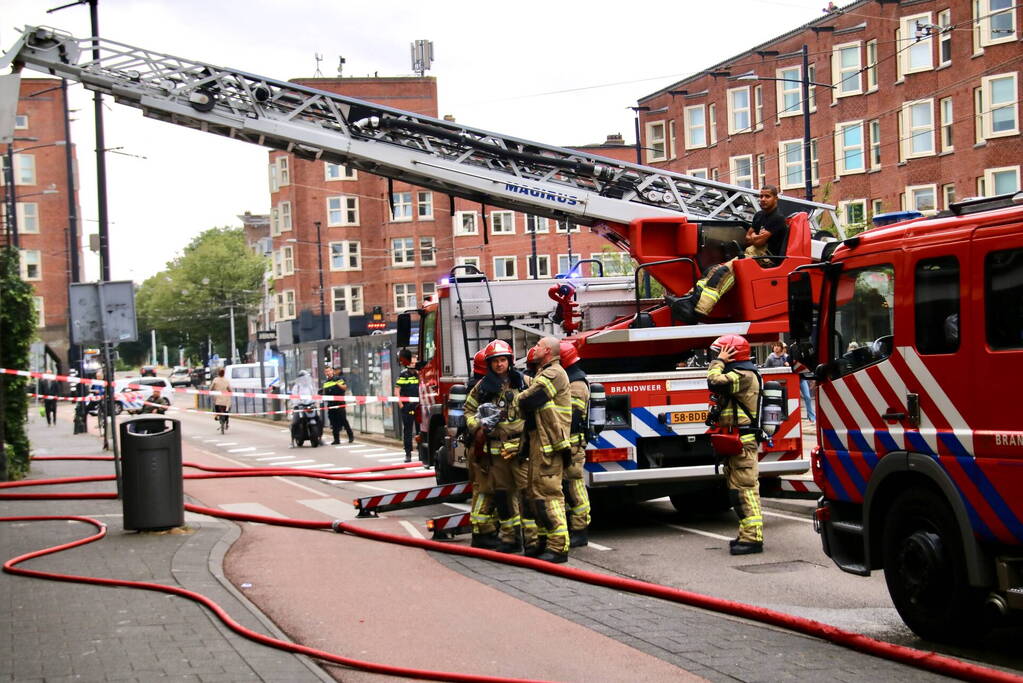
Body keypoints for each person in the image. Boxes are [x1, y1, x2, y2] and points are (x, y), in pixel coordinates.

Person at [666, 185, 788, 323]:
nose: (763, 199)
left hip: (765, 258)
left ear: (776, 198)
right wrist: (756, 237)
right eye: (761, 196)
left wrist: (755, 237)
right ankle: (689, 300)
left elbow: (759, 243)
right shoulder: (759, 216)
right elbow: (748, 239)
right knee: (711, 271)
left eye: (767, 196)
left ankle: (699, 311)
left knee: (723, 274)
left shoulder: (777, 219)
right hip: (751, 254)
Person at [464, 339, 527, 553]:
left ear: (509, 361)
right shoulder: (482, 388)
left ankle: (533, 539)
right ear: (489, 364)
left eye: (503, 360)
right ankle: (510, 539)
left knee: (529, 493)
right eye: (495, 361)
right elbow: (468, 411)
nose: (499, 365)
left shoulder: (524, 382)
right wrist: (479, 425)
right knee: (503, 494)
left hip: (521, 447)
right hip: (497, 451)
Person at [514, 336, 572, 563]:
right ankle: (543, 542)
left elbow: (529, 400)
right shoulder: (544, 373)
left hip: (550, 445)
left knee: (548, 494)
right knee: (534, 495)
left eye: (537, 346)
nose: (533, 349)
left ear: (547, 351)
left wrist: (518, 396)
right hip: (540, 443)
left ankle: (558, 547)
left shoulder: (554, 373)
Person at [706, 334, 765, 555]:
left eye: (720, 351)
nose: (715, 356)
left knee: (745, 490)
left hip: (743, 443)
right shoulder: (741, 374)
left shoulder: (743, 375)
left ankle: (753, 539)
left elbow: (713, 381)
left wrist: (718, 362)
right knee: (736, 492)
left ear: (731, 352)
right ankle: (746, 534)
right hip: (736, 442)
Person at [463, 348, 499, 549]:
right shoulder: (483, 389)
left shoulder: (475, 386)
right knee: (484, 489)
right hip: (480, 446)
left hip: (476, 446)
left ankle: (483, 529)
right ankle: (482, 531)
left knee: (481, 489)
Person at [560, 341, 591, 549]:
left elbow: (572, 417)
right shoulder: (569, 380)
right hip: (566, 444)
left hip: (573, 445)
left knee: (575, 486)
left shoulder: (577, 385)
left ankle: (580, 529)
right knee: (566, 487)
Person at [395, 348, 419, 463]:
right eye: (412, 362)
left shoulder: (420, 374)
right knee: (408, 431)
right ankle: (408, 454)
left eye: (415, 362)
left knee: (421, 431)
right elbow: (397, 391)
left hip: (419, 406)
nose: (414, 364)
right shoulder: (403, 374)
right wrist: (401, 405)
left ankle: (422, 452)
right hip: (407, 406)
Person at [321, 366, 354, 444]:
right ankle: (336, 439)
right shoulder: (325, 383)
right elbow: (325, 393)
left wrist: (337, 384)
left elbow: (345, 387)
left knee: (343, 420)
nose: (328, 373)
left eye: (329, 371)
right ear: (325, 373)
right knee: (333, 422)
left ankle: (350, 436)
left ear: (332, 371)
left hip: (339, 403)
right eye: (326, 371)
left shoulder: (338, 379)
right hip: (331, 404)